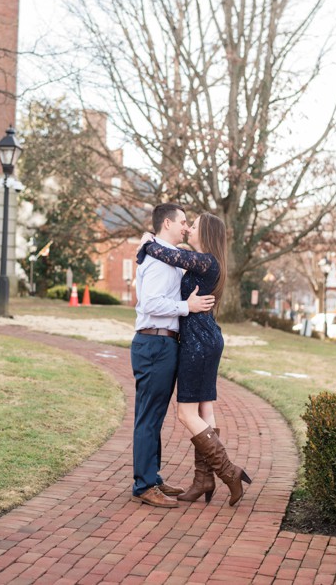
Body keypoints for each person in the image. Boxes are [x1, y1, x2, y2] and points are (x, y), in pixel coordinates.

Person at [137, 212, 252, 506]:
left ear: (207, 232)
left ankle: (228, 472)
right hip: (206, 338)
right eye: (186, 223)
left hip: (198, 343)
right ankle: (203, 479)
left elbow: (166, 253)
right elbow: (175, 256)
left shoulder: (205, 260)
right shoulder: (205, 260)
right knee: (204, 410)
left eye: (195, 226)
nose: (189, 229)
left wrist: (147, 243)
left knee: (185, 414)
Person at [131, 202, 216, 508]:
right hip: (154, 343)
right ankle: (143, 485)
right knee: (148, 417)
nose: (186, 227)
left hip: (164, 344)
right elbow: (150, 304)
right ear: (167, 223)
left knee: (154, 416)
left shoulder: (166, 257)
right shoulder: (159, 262)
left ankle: (151, 478)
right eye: (182, 221)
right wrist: (186, 308)